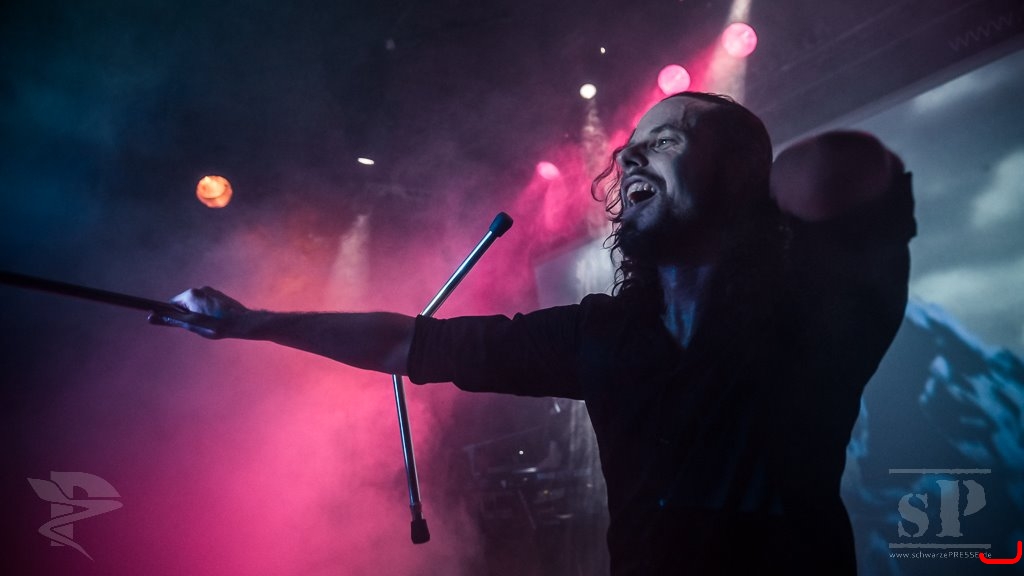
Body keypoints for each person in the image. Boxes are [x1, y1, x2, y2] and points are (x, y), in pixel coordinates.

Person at [151, 92, 915, 574]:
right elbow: (410, 344)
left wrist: (747, 194)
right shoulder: (601, 333)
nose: (631, 152)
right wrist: (251, 322)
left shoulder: (821, 312)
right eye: (632, 144)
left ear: (743, 174)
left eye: (668, 139)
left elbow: (842, 164)